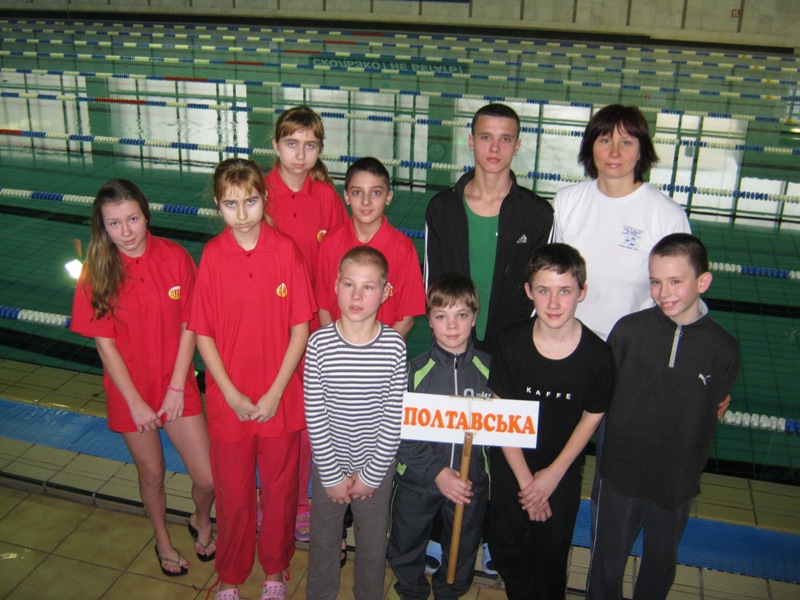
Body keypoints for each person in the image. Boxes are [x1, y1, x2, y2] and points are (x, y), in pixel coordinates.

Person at [70, 179, 215, 578]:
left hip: (176, 384)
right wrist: (135, 402)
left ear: (146, 215)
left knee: (207, 478)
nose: (126, 231)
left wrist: (176, 387)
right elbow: (106, 346)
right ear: (103, 226)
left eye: (132, 219)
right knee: (151, 475)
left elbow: (190, 324)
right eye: (114, 223)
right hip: (129, 391)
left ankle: (201, 519)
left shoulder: (174, 257)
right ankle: (162, 540)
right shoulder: (97, 272)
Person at [586, 233, 740, 600]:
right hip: (621, 473)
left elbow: (713, 405)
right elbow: (601, 392)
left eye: (675, 281)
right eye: (655, 282)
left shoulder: (723, 348)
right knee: (607, 561)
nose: (663, 292)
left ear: (702, 282)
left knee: (660, 563)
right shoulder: (628, 331)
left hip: (677, 478)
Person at [189, 158, 315, 600]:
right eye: (230, 204)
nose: (242, 214)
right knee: (233, 494)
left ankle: (275, 570)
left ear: (265, 199)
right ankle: (230, 573)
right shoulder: (213, 254)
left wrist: (276, 392)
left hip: (279, 397)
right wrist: (230, 393)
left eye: (251, 202)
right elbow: (202, 333)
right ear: (217, 205)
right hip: (230, 401)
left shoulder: (285, 250)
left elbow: (300, 329)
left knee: (279, 492)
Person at [487, 244, 615, 599]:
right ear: (529, 291)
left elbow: (592, 415)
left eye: (565, 291)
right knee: (507, 548)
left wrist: (552, 476)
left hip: (561, 471)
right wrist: (528, 484)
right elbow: (501, 414)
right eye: (543, 290)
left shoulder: (598, 356)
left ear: (581, 293)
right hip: (513, 466)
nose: (554, 303)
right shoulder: (510, 343)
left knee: (550, 557)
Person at [265, 104, 348, 544]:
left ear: (320, 149)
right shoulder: (258, 192)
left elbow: (339, 267)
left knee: (310, 419)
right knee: (275, 419)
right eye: (291, 144)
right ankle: (273, 498)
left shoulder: (327, 198)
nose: (300, 155)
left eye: (310, 145)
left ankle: (300, 503)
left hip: (315, 328)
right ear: (275, 145)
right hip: (269, 328)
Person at [304, 246, 407, 600]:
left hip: (375, 468)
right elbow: (315, 414)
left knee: (373, 548)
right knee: (323, 545)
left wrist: (371, 474)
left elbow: (393, 418)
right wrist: (331, 475)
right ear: (336, 285)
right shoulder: (319, 344)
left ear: (386, 292)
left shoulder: (393, 347)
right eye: (349, 285)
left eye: (368, 287)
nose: (357, 296)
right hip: (328, 467)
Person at [387, 273, 492, 600]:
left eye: (461, 315)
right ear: (429, 321)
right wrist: (438, 472)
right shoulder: (412, 372)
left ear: (474, 318)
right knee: (405, 545)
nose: (452, 325)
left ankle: (450, 593)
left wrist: (487, 479)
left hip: (470, 484)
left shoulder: (491, 372)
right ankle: (411, 593)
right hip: (417, 481)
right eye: (441, 316)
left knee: (462, 550)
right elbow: (396, 434)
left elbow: (503, 435)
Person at [552, 103, 691, 342]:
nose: (614, 153)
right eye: (605, 141)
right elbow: (550, 276)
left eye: (626, 143)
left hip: (633, 344)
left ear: (640, 151)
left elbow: (681, 295)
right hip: (567, 339)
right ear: (591, 147)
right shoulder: (567, 201)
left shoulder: (667, 215)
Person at [424, 102, 553, 348]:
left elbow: (541, 286)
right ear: (471, 141)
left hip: (513, 344)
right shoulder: (442, 208)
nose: (495, 148)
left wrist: (513, 339)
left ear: (517, 146)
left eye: (505, 139)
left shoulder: (537, 213)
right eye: (486, 137)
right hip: (453, 340)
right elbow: (434, 283)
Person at [315, 156, 426, 338]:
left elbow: (407, 318)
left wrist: (378, 350)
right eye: (357, 192)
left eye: (375, 193)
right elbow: (323, 305)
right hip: (338, 350)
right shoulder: (330, 243)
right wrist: (335, 345)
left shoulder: (402, 248)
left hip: (384, 352)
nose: (366, 201)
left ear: (388, 197)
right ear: (347, 197)